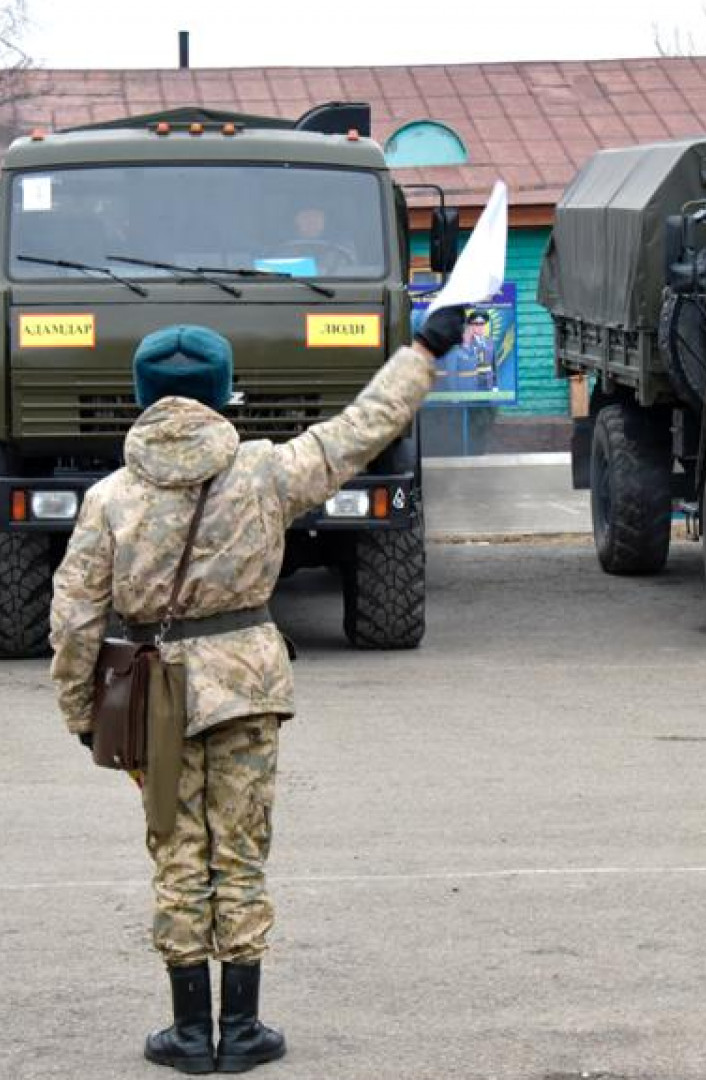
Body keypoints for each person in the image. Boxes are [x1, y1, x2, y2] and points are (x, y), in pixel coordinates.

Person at [49, 309, 466, 1074]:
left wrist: (81, 710)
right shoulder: (267, 471)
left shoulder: (108, 497)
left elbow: (75, 613)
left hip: (152, 700)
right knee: (239, 855)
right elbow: (360, 429)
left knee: (177, 853)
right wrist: (424, 351)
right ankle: (241, 1031)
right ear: (223, 394)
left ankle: (185, 1034)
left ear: (140, 396)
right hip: (247, 689)